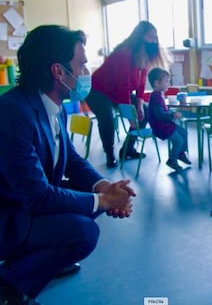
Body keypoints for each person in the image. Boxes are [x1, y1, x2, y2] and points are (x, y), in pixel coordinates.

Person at [0, 25, 135, 304]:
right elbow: (38, 197)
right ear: (58, 71)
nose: (86, 73)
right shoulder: (13, 112)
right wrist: (104, 200)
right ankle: (8, 285)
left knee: (88, 205)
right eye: (82, 65)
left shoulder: (50, 103)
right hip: (8, 214)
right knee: (83, 231)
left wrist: (104, 186)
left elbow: (71, 159)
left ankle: (42, 260)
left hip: (23, 202)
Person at [85, 21, 171, 168]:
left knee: (144, 112)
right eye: (150, 37)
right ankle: (109, 154)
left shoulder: (144, 57)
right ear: (140, 37)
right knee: (107, 120)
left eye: (155, 37)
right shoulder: (124, 54)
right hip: (97, 91)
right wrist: (130, 115)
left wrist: (138, 105)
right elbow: (122, 86)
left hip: (116, 91)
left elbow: (142, 82)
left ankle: (128, 149)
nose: (154, 41)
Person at [147, 68, 191, 171]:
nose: (169, 83)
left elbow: (161, 112)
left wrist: (170, 113)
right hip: (160, 127)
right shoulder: (156, 97)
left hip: (165, 125)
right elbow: (159, 115)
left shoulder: (158, 95)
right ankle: (172, 160)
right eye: (166, 81)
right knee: (179, 141)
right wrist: (172, 115)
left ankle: (180, 153)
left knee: (183, 132)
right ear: (157, 83)